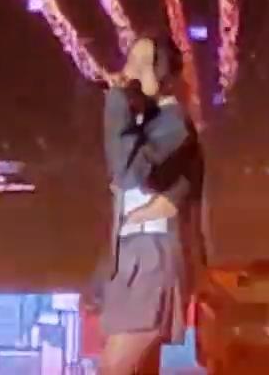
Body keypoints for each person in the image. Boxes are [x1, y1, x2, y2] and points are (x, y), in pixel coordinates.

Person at [94, 35, 205, 375]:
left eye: (142, 65)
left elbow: (129, 173)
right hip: (134, 260)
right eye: (130, 61)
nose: (129, 72)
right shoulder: (150, 124)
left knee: (114, 368)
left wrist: (118, 103)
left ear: (165, 75)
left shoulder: (174, 125)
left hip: (152, 262)